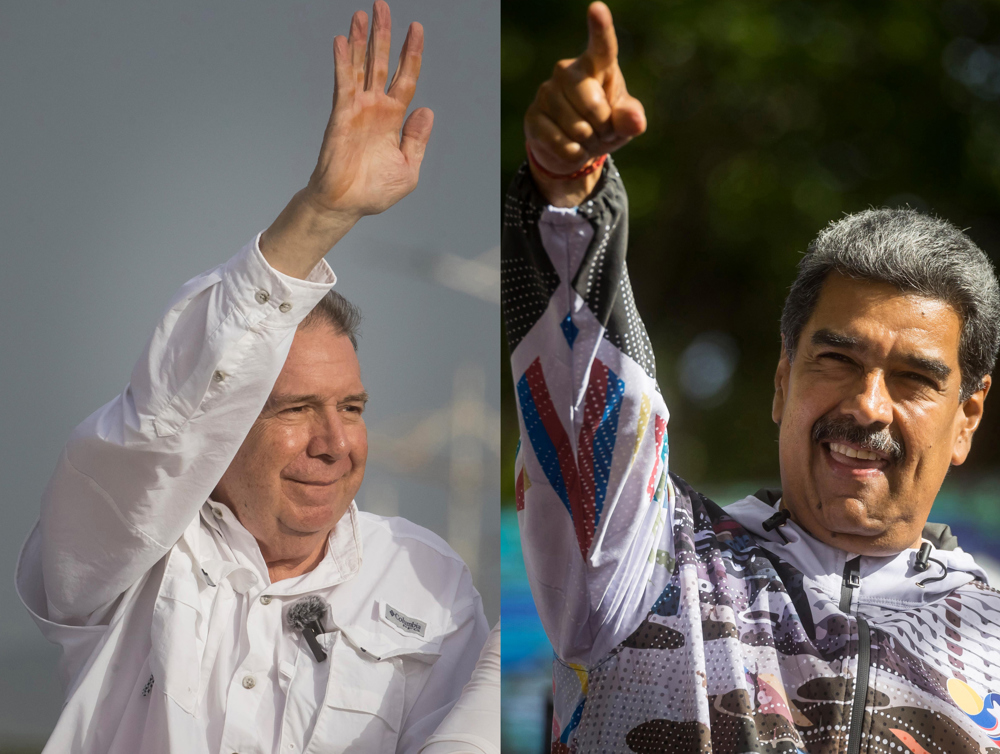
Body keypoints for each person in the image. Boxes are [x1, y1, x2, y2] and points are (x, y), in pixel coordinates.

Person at [504, 3, 1000, 753]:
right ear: (781, 381)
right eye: (837, 360)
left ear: (967, 417)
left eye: (913, 379)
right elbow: (593, 399)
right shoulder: (647, 565)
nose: (867, 406)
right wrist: (568, 196)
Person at [16, 3, 490, 752]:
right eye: (297, 408)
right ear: (225, 422)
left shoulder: (428, 583)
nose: (336, 443)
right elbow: (164, 423)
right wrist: (321, 213)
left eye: (354, 407)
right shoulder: (122, 549)